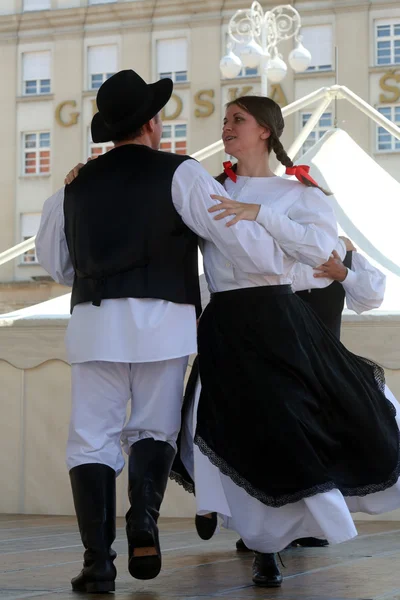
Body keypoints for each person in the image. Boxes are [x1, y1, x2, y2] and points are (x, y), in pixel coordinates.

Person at [36, 73, 337, 593]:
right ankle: (144, 524)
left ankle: (97, 563)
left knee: (91, 438)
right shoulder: (183, 175)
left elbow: (56, 264)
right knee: (155, 427)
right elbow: (229, 232)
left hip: (94, 321)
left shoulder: (73, 184)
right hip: (164, 322)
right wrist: (274, 261)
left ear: (111, 131)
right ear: (152, 124)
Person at [170, 95, 400, 589]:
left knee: (281, 426)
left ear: (266, 132)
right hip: (224, 321)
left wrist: (260, 215)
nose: (227, 127)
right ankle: (231, 515)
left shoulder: (300, 194)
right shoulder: (206, 189)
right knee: (217, 421)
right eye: (226, 120)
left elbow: (321, 252)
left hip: (278, 319)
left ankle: (267, 546)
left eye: (238, 120)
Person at [235, 236, 388, 553]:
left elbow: (372, 297)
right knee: (271, 447)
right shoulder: (263, 252)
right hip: (272, 368)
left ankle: (307, 526)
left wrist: (343, 272)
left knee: (318, 450)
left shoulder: (341, 253)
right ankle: (268, 529)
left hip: (324, 370)